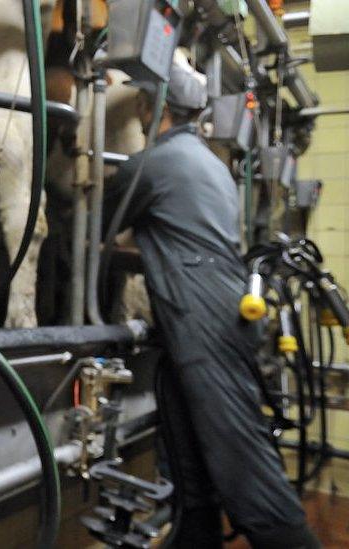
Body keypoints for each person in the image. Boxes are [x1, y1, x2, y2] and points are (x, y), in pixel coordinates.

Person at [105, 54, 321, 548]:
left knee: (239, 455)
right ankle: (194, 537)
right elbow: (182, 235)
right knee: (188, 447)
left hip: (201, 314)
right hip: (228, 302)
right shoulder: (212, 164)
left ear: (147, 104)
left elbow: (94, 235)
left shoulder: (152, 164)